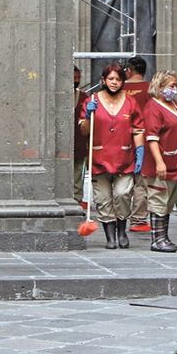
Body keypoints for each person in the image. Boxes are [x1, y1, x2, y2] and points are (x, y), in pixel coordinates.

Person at [79, 63, 145, 249]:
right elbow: (84, 131)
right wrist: (88, 116)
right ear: (103, 80)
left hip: (124, 158)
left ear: (123, 81)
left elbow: (138, 130)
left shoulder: (131, 102)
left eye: (118, 79)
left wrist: (140, 151)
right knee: (103, 198)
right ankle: (110, 236)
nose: (114, 82)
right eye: (111, 79)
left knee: (123, 194)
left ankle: (121, 230)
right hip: (99, 158)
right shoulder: (92, 100)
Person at [141, 71, 177, 253]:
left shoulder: (176, 105)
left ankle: (164, 237)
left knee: (169, 200)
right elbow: (152, 137)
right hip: (161, 162)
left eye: (176, 86)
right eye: (171, 86)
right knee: (158, 197)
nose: (174, 89)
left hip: (176, 160)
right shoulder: (153, 108)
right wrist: (159, 162)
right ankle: (157, 239)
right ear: (160, 86)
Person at [121, 55, 152, 233]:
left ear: (129, 71)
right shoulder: (150, 90)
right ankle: (139, 219)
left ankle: (119, 217)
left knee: (121, 182)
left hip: (121, 140)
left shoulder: (119, 88)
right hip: (144, 141)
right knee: (141, 182)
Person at [72, 66, 89, 208]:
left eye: (78, 78)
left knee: (78, 173)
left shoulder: (84, 97)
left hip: (79, 142)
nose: (76, 81)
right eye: (74, 78)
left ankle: (77, 198)